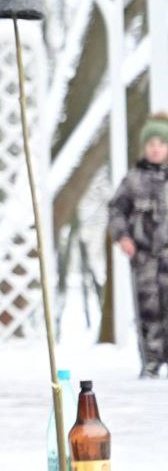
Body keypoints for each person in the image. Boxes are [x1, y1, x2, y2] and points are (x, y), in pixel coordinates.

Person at [109, 113, 168, 378]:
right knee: (149, 309)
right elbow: (117, 209)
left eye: (161, 143)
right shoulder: (133, 179)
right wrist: (123, 236)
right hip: (145, 257)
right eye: (151, 144)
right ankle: (151, 360)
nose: (156, 149)